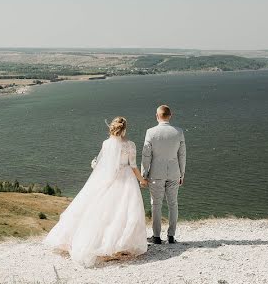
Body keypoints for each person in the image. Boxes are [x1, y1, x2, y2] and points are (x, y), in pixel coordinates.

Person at [45, 116, 147, 267]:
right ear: (124, 129)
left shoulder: (106, 144)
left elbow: (103, 165)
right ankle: (120, 244)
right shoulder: (130, 145)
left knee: (103, 211)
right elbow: (133, 165)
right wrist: (142, 180)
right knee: (125, 211)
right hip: (126, 179)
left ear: (112, 128)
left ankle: (101, 243)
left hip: (108, 178)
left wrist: (94, 165)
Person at [141, 105, 186, 244]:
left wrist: (144, 174)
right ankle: (171, 236)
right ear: (170, 115)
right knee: (173, 204)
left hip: (156, 173)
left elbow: (146, 155)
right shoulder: (178, 132)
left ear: (157, 116)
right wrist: (182, 174)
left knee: (156, 204)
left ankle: (156, 236)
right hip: (174, 172)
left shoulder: (150, 132)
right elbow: (182, 155)